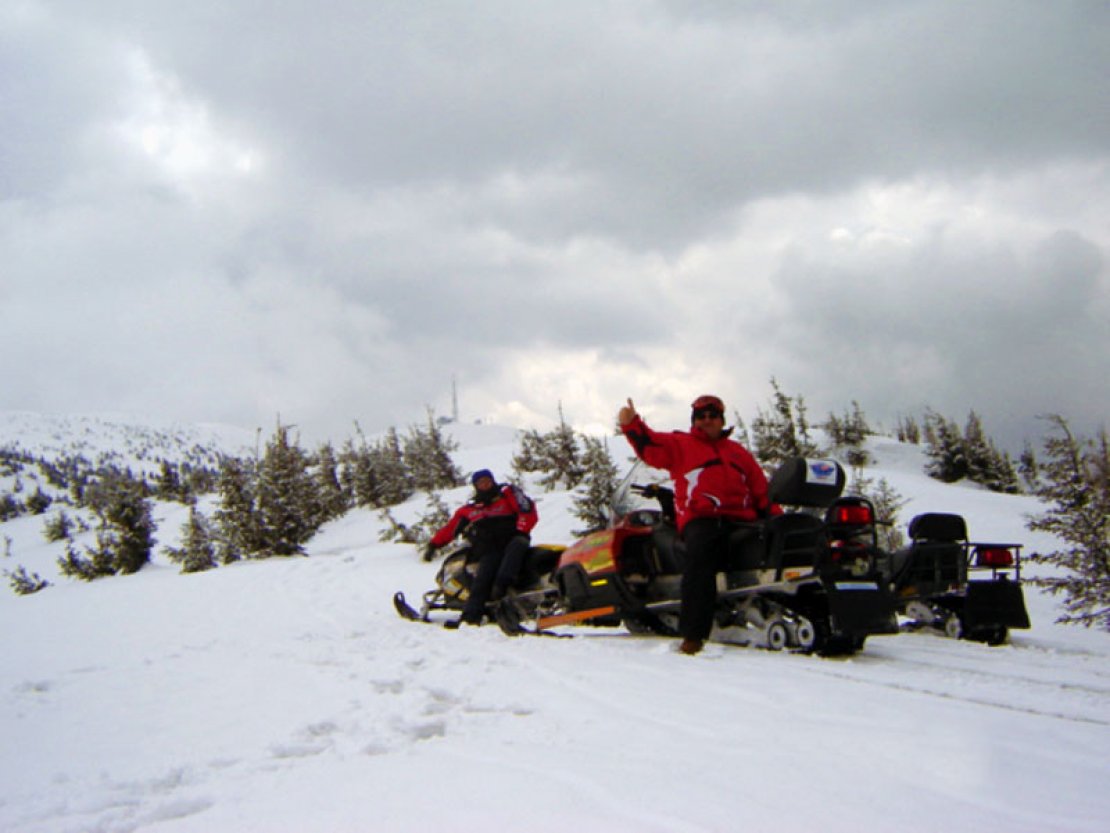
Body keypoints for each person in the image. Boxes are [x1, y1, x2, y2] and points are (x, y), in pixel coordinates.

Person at [618, 395, 780, 655]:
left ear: (721, 420)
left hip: (741, 519)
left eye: (713, 416)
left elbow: (761, 490)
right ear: (694, 421)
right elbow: (650, 446)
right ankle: (693, 635)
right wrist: (631, 424)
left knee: (772, 549)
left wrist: (776, 517)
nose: (707, 421)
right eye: (701, 417)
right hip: (702, 518)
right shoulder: (681, 444)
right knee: (700, 558)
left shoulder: (738, 452)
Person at [424, 469, 538, 628]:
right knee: (483, 576)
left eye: (487, 481)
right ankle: (471, 616)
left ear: (492, 481)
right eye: (481, 483)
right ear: (476, 486)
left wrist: (521, 529)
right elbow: (451, 528)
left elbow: (527, 510)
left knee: (515, 550)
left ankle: (503, 587)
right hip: (491, 548)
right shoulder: (470, 509)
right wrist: (433, 545)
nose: (485, 485)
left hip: (514, 540)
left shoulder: (507, 495)